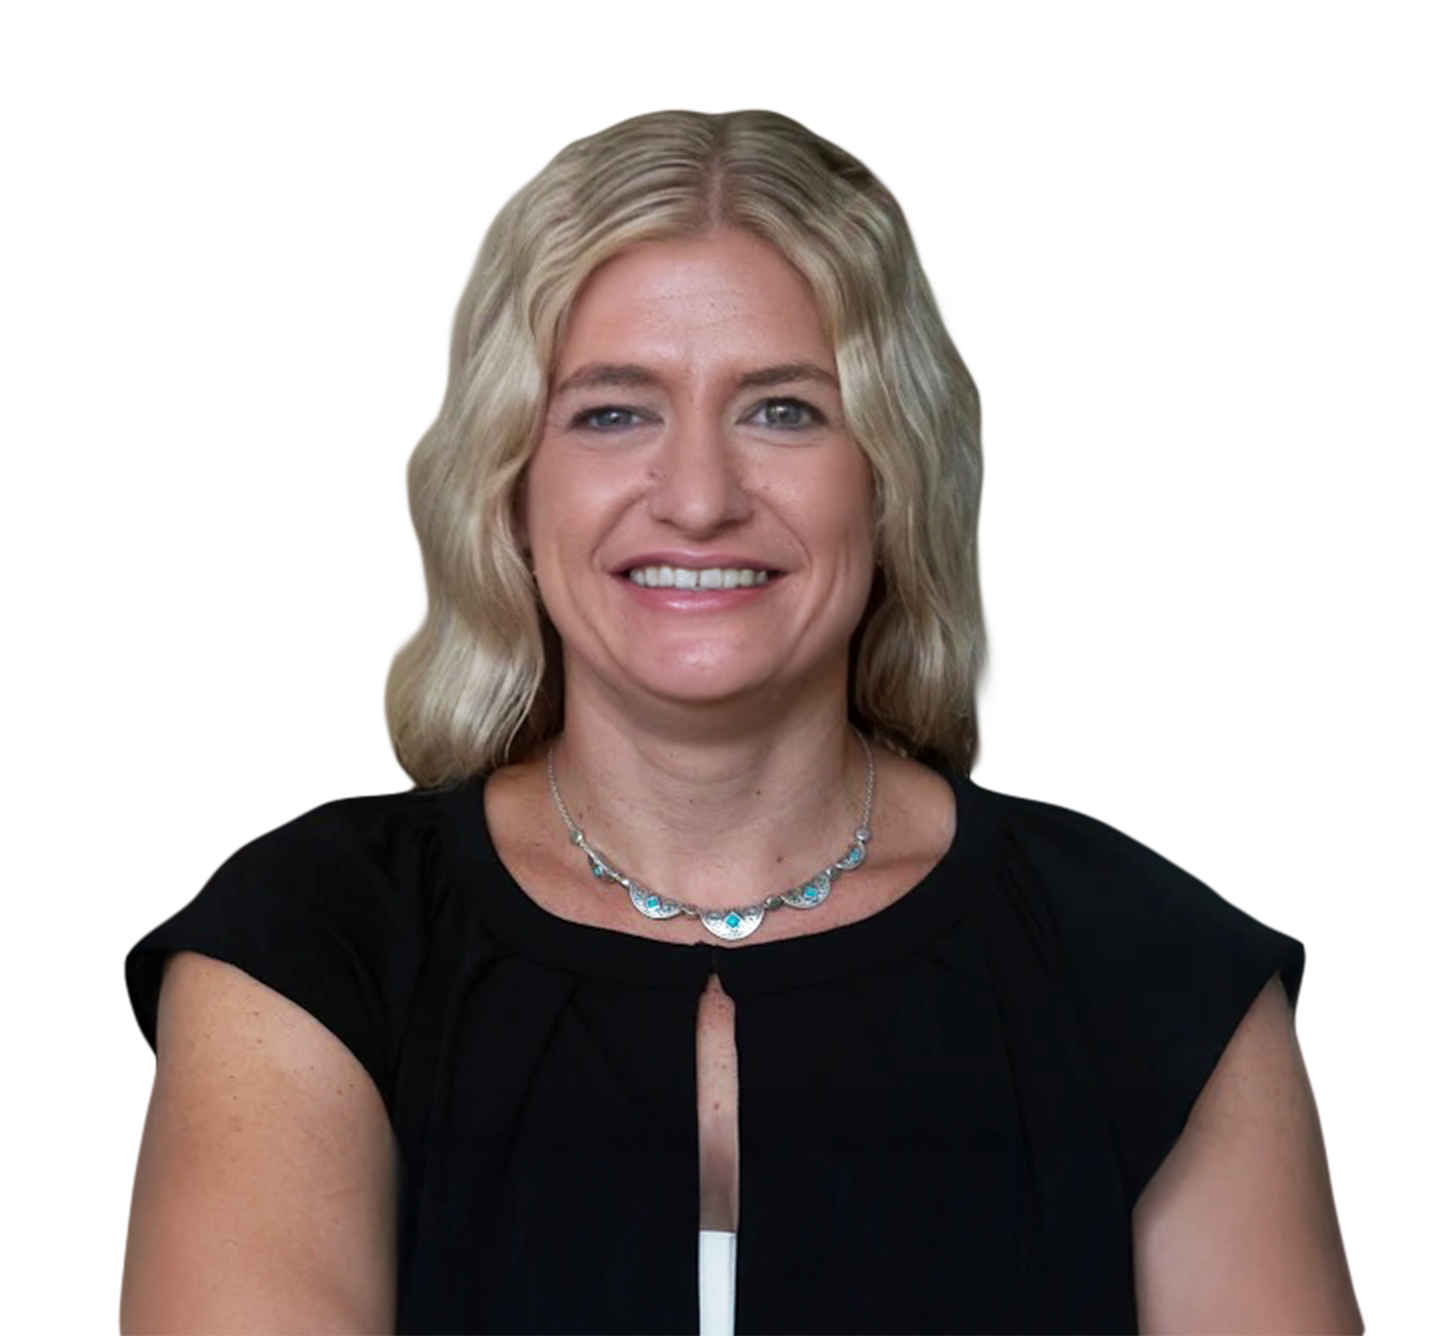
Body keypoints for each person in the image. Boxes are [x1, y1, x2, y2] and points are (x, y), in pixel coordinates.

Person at [118, 109, 1359, 1335]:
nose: (700, 497)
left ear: (887, 479)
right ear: (506, 482)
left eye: (783, 409)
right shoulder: (306, 951)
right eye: (613, 410)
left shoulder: (1154, 972)